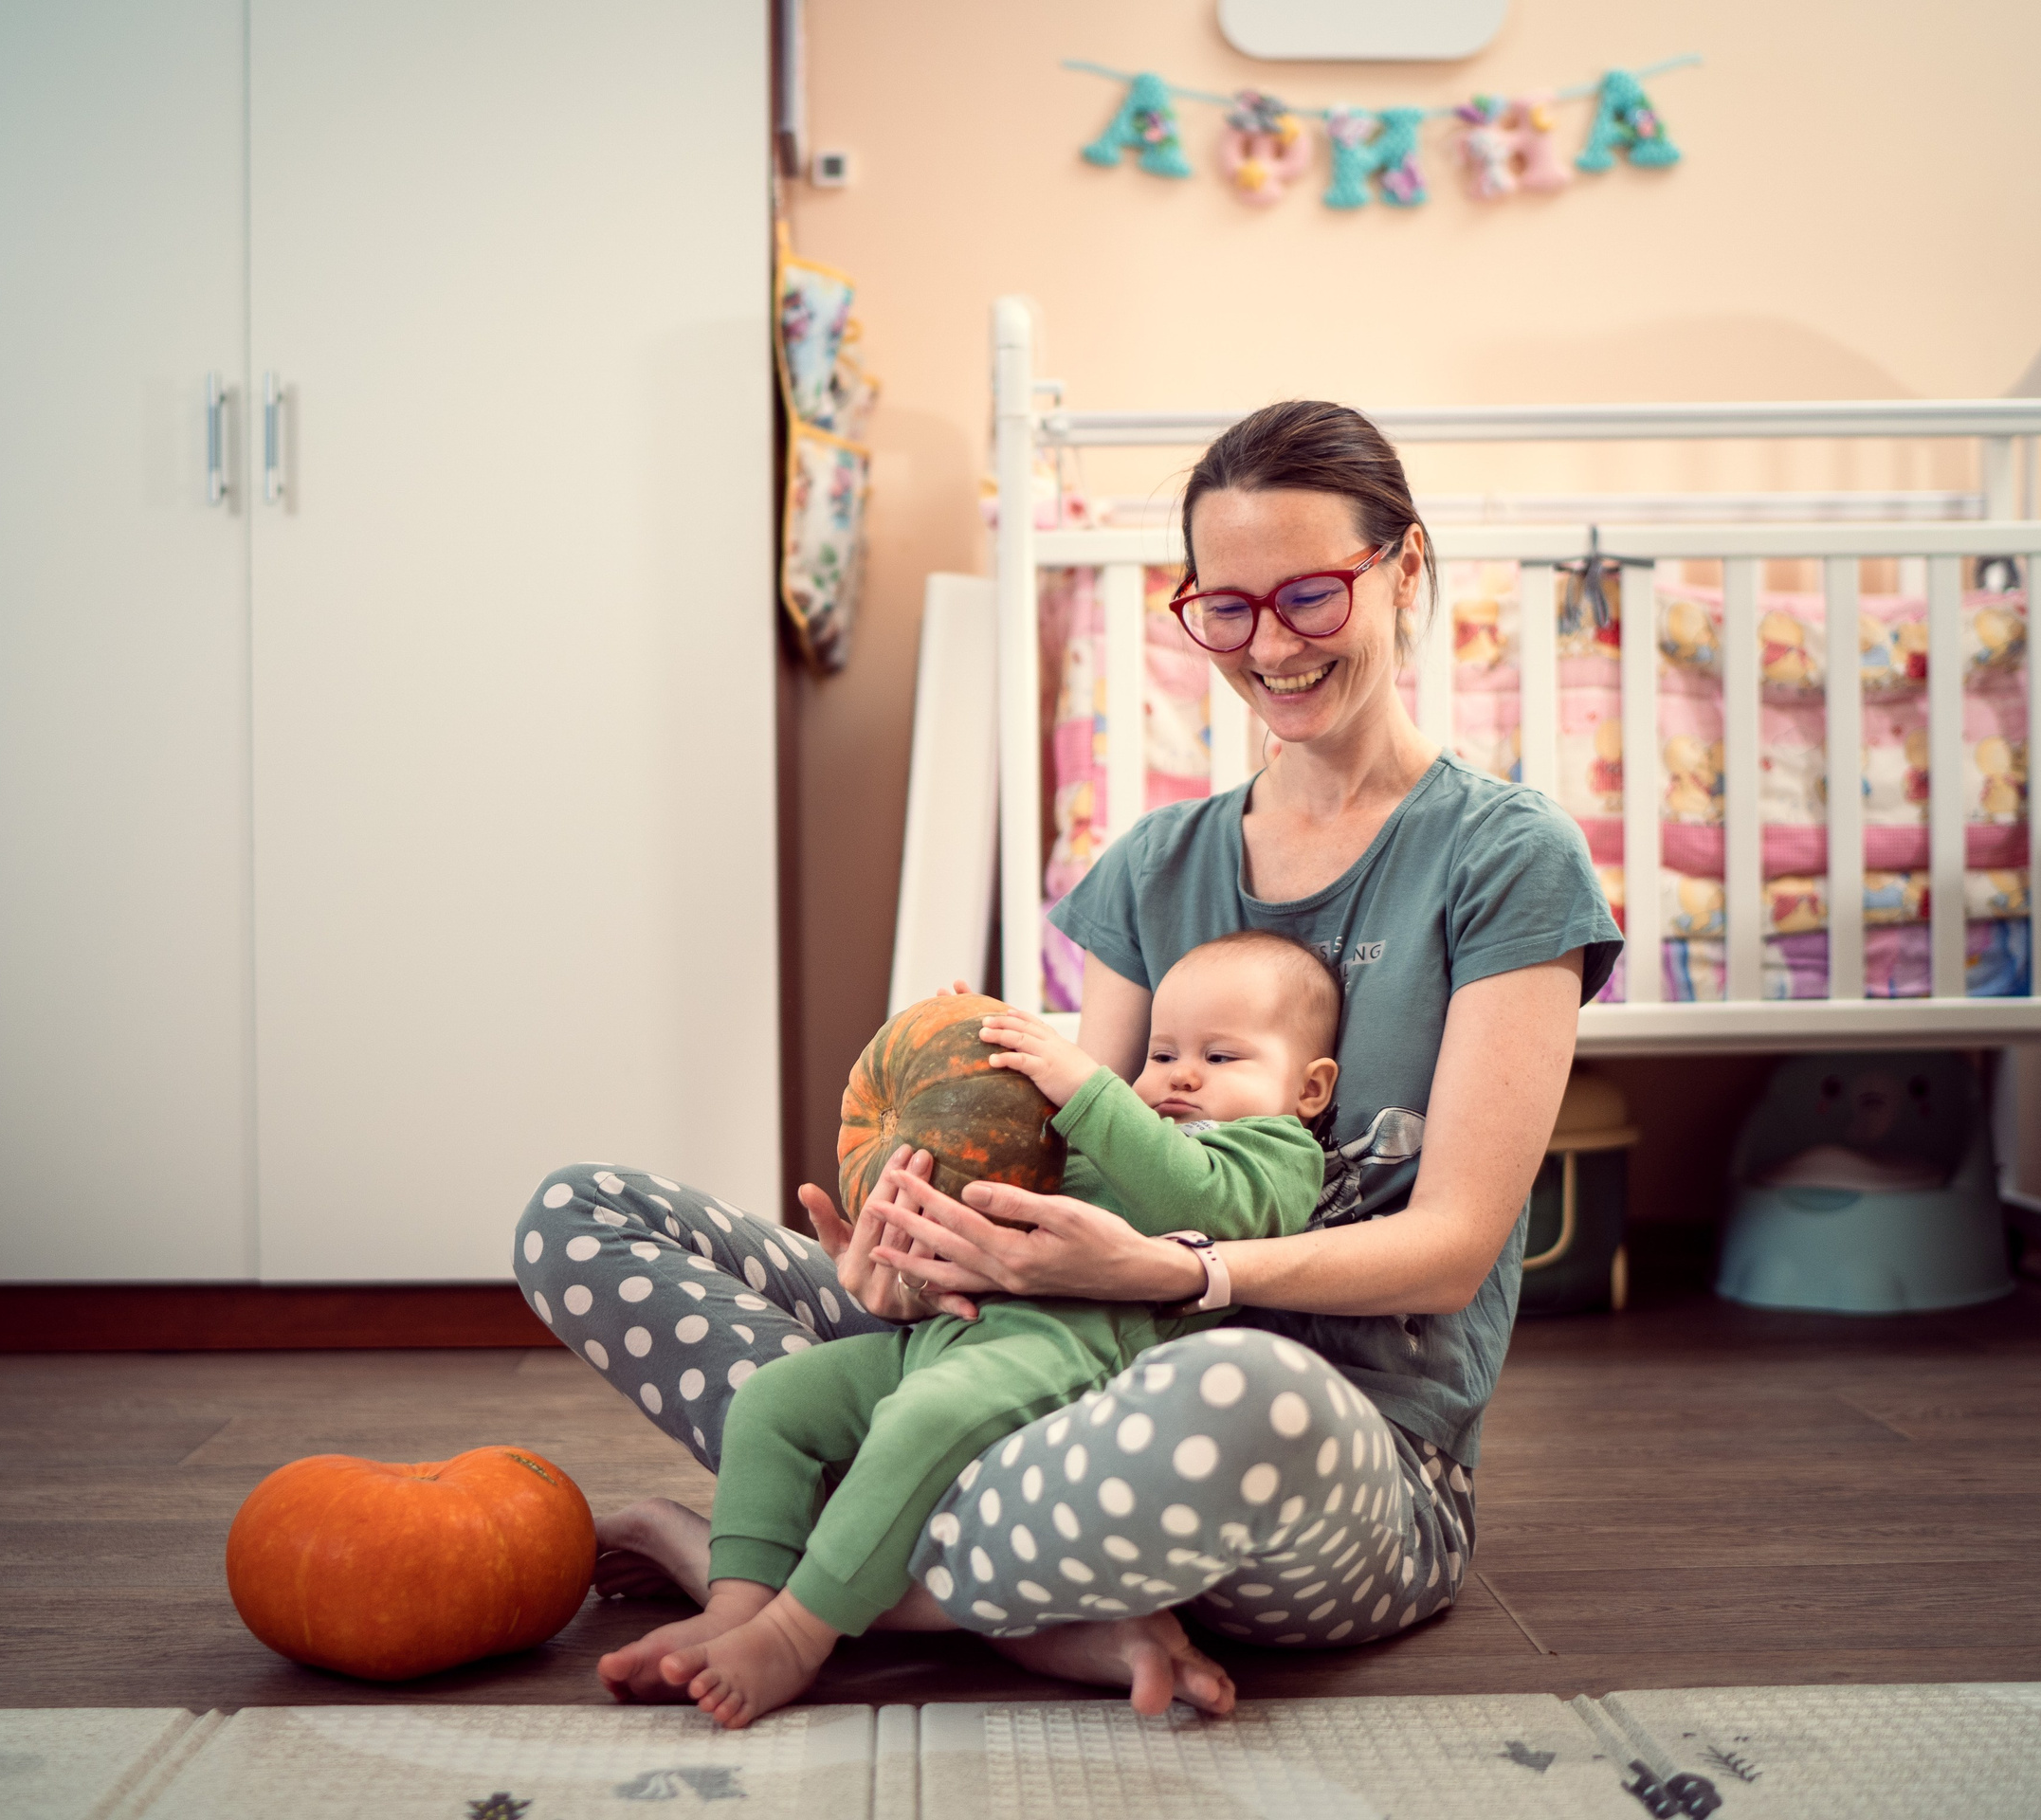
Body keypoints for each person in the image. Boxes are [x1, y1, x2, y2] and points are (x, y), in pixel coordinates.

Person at [513, 398, 1621, 1718]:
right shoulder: (1155, 869)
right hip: (1044, 1387)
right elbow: (1067, 1183)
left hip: (1313, 1455)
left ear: (1408, 570)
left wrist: (1180, 1271)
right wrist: (919, 1267)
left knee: (1246, 1387)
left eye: (1313, 596)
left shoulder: (1505, 861)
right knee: (583, 1215)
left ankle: (767, 1570)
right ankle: (1019, 1599)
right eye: (1226, 608)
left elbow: (1449, 1251)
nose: (1270, 646)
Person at [624, 931, 1339, 1728]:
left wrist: (1087, 1088)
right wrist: (974, 1076)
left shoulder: (1274, 1153)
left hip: (1060, 1355)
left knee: (923, 1421)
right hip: (939, 1332)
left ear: (1309, 1089)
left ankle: (799, 1630)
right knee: (773, 1402)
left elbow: (1199, 1204)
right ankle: (737, 1601)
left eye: (1223, 1057)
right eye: (1162, 1054)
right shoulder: (1105, 1129)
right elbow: (991, 1171)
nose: (1181, 1077)